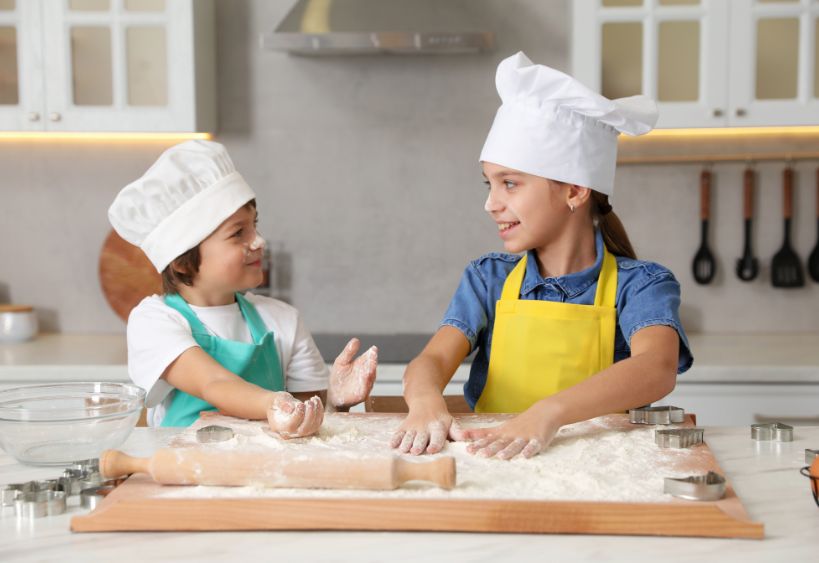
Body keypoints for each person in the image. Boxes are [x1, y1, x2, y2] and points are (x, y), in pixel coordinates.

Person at [391, 52, 693, 459]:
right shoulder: (488, 278)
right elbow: (430, 360)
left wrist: (546, 414)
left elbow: (656, 368)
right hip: (495, 462)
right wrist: (426, 401)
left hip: (601, 469)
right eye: (489, 185)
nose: (491, 204)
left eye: (510, 184)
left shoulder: (641, 285)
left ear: (574, 191)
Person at [108, 140, 377, 433]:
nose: (259, 241)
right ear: (182, 262)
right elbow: (213, 383)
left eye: (254, 225)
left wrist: (335, 404)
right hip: (185, 471)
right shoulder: (154, 321)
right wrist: (274, 404)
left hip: (265, 472)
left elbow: (304, 425)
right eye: (238, 233)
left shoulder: (283, 320)